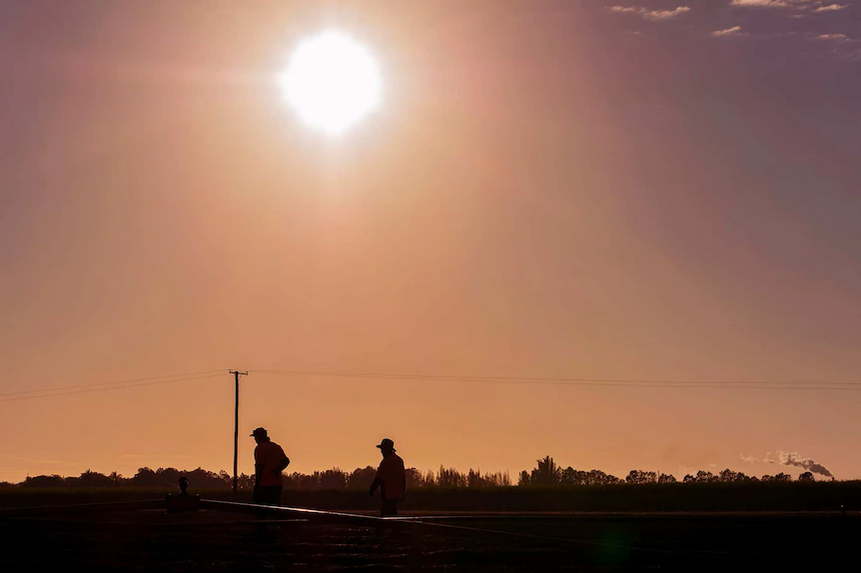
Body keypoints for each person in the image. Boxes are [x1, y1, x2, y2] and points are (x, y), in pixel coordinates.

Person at [251, 427, 290, 523]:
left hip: (264, 484)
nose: (255, 440)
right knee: (276, 508)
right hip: (277, 483)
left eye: (256, 437)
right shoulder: (276, 447)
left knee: (261, 510)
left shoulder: (259, 449)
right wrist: (277, 470)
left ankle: (262, 530)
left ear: (259, 437)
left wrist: (257, 485)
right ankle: (277, 527)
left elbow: (259, 467)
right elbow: (286, 461)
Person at [369, 438, 405, 517]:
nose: (381, 452)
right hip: (397, 494)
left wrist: (371, 490)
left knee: (386, 514)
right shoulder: (399, 461)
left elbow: (379, 479)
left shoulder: (386, 462)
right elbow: (403, 478)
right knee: (393, 513)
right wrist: (402, 492)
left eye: (382, 449)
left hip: (387, 494)